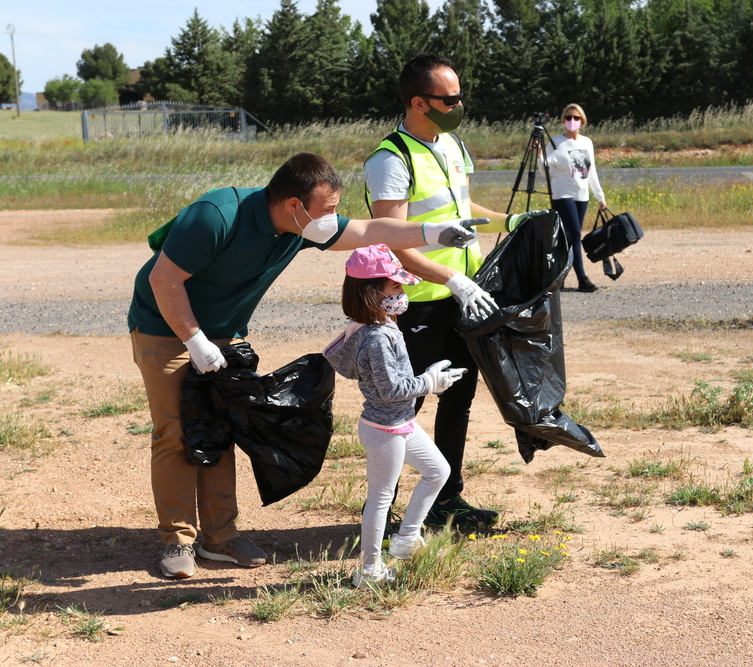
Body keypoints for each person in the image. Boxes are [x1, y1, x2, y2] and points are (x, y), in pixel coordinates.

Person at [128, 151, 480, 580]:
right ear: (294, 204)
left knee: (222, 426)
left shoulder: (302, 226)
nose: (333, 218)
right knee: (177, 432)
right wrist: (194, 339)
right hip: (166, 328)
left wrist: (432, 231)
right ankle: (177, 542)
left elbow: (371, 229)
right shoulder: (215, 215)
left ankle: (219, 537)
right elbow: (163, 280)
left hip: (226, 334)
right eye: (327, 208)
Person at [364, 52, 543, 530]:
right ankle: (381, 513)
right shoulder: (390, 159)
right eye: (452, 98)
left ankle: (445, 502)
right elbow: (391, 239)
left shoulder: (451, 145)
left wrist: (510, 221)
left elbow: (461, 204)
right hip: (418, 303)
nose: (461, 104)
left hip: (464, 299)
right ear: (420, 102)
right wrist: (451, 279)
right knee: (404, 406)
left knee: (458, 398)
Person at [323, 244, 460, 587]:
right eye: (395, 286)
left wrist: (426, 376)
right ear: (372, 292)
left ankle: (407, 538)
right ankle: (369, 571)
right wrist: (430, 382)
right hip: (384, 429)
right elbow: (390, 390)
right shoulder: (377, 337)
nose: (403, 292)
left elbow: (394, 383)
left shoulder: (380, 326)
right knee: (381, 498)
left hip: (401, 423)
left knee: (437, 470)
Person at [541, 103, 607, 292]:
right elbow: (546, 170)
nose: (572, 121)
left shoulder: (587, 142)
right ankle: (582, 279)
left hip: (581, 194)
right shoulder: (555, 142)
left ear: (582, 121)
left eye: (576, 118)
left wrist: (600, 197)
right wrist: (539, 157)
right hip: (562, 194)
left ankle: (558, 277)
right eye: (568, 118)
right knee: (575, 235)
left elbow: (591, 171)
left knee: (569, 238)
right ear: (563, 121)